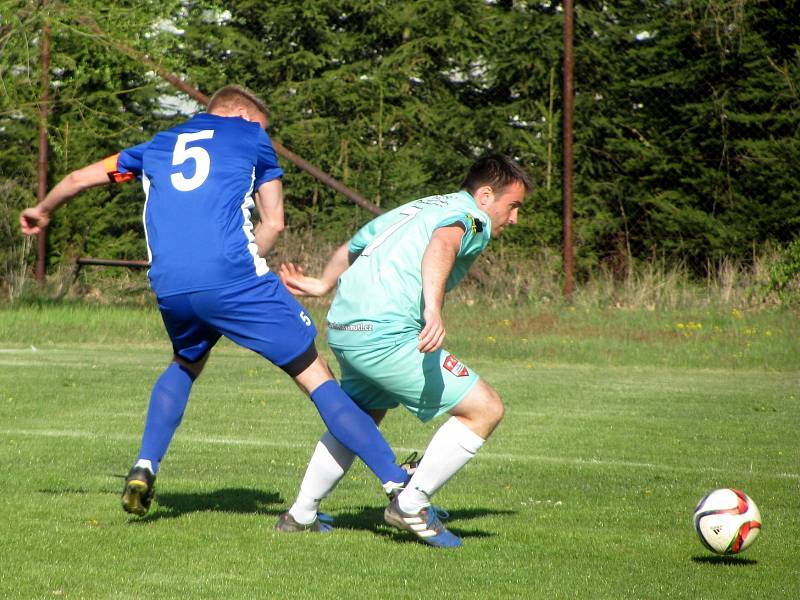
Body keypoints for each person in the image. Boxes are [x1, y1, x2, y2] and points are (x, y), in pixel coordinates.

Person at [19, 85, 412, 523]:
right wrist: (246, 269)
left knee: (186, 361)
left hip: (171, 285)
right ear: (243, 116)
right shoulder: (250, 136)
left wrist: (43, 209)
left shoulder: (156, 146)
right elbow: (275, 223)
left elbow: (77, 179)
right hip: (232, 277)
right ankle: (399, 486)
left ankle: (145, 465)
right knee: (314, 373)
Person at [276, 154, 532, 547]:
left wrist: (323, 284)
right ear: (485, 196)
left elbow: (355, 243)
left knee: (357, 421)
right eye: (512, 206)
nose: (514, 219)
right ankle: (411, 503)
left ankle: (301, 514)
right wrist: (433, 308)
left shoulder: (420, 206)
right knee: (485, 409)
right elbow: (443, 243)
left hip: (345, 328)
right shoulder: (472, 217)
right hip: (386, 333)